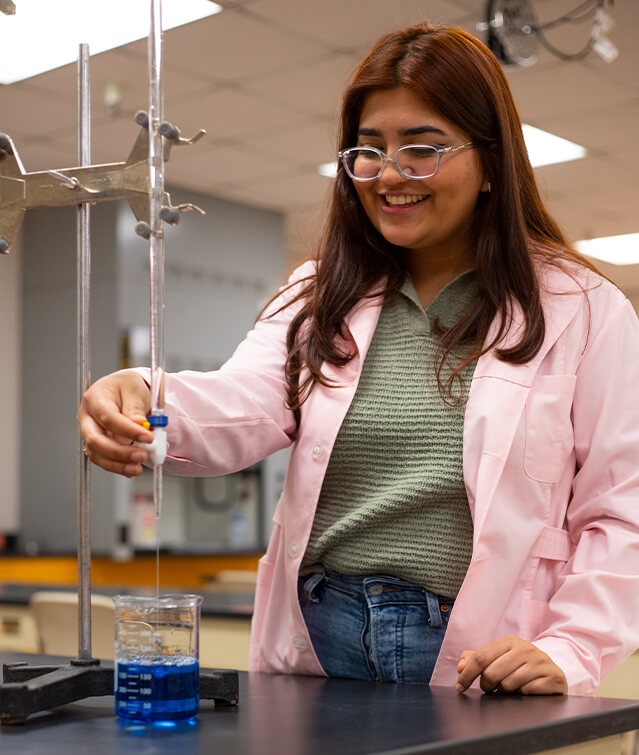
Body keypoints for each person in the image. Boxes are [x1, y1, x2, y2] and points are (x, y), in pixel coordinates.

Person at [78, 23, 639, 696]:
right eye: (367, 151)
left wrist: (572, 647)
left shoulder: (582, 308)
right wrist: (145, 392)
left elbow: (620, 509)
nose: (390, 175)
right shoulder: (320, 292)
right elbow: (246, 401)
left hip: (479, 648)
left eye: (422, 149)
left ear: (491, 161)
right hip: (321, 629)